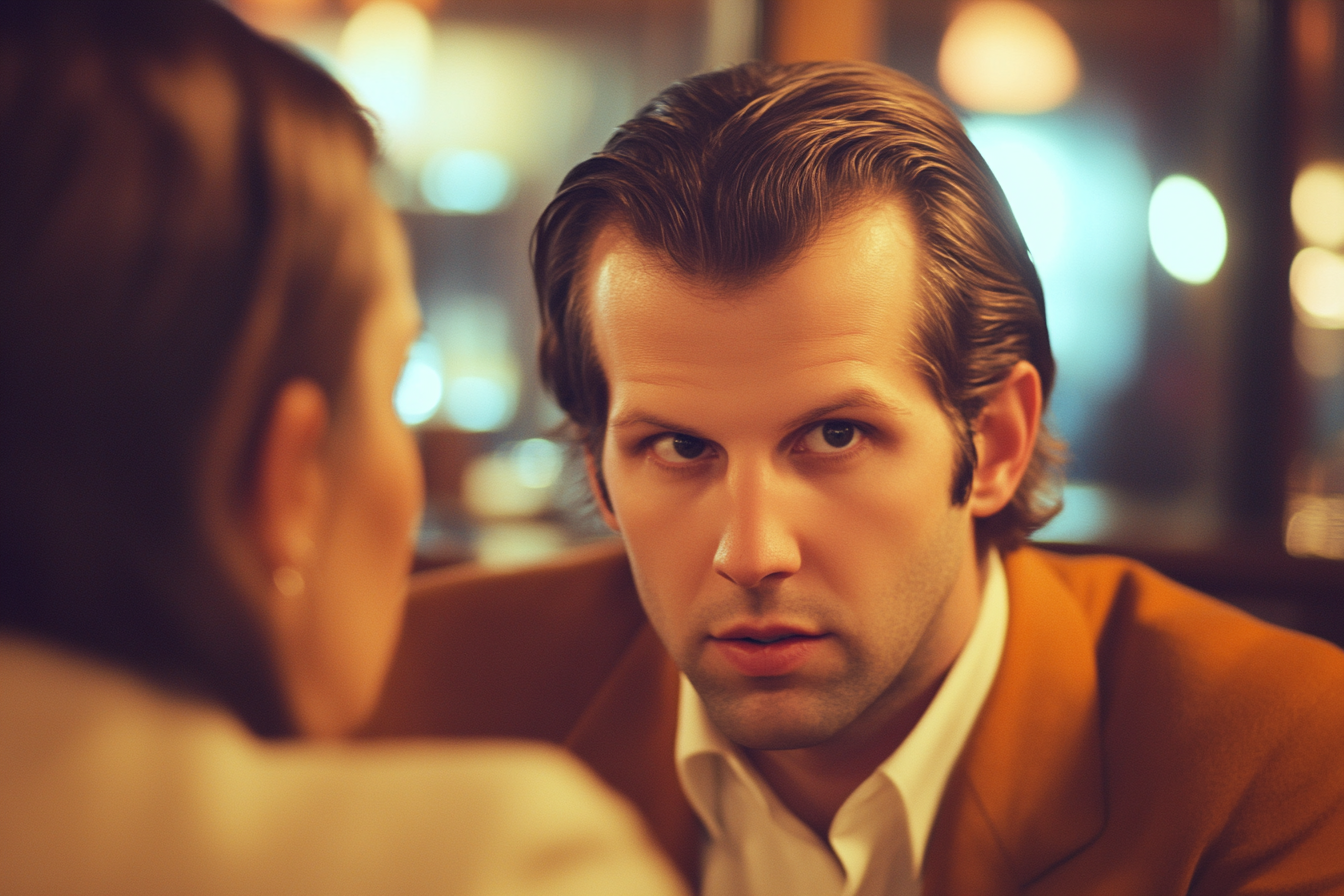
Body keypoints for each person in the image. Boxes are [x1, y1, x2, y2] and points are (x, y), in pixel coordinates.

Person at [365, 60, 1344, 895]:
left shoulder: (1279, 751)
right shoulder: (428, 695)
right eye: (679, 447)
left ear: (996, 441)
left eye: (834, 434)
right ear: (598, 469)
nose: (750, 552)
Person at [0, 3, 688, 894]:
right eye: (392, 379)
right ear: (289, 473)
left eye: (831, 435)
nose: (752, 550)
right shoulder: (492, 862)